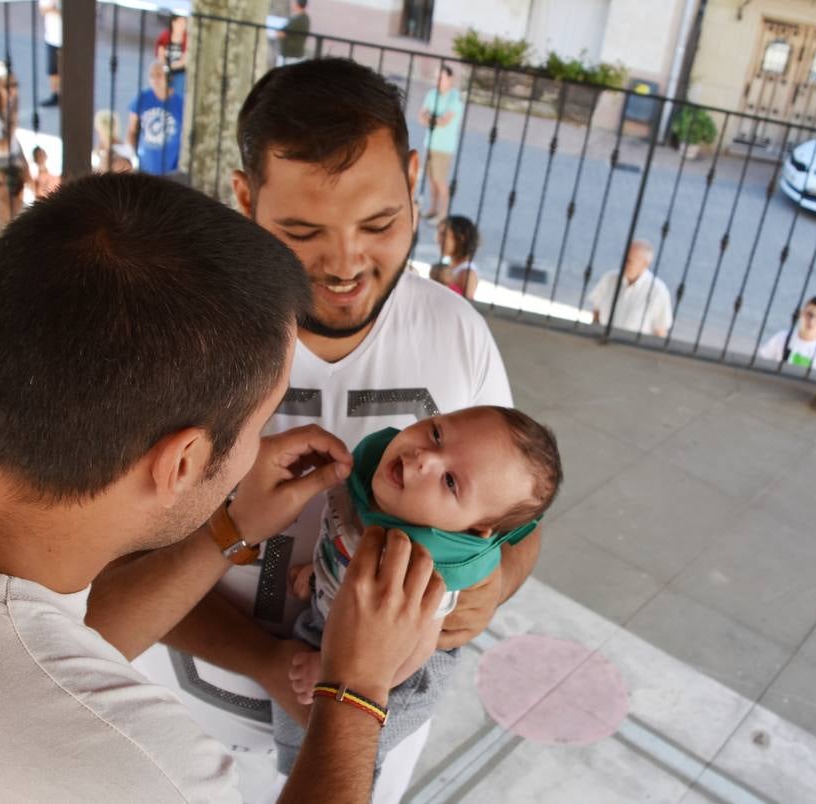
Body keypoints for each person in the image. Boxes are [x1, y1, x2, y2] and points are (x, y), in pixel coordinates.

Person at [0, 172, 446, 802]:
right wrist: (356, 688)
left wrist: (228, 528)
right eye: (259, 423)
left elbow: (45, 642)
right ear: (180, 462)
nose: (258, 449)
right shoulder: (134, 761)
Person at [85, 58, 540, 804]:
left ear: (415, 177)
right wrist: (269, 660)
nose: (345, 264)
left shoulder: (457, 332)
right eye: (301, 231)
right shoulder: (178, 341)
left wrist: (497, 584)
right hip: (176, 732)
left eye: (382, 222)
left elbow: (518, 519)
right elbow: (105, 578)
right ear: (243, 198)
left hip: (372, 747)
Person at [271, 406, 561, 775]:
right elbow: (347, 542)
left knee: (333, 757)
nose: (424, 458)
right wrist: (321, 572)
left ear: (473, 529)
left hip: (397, 671)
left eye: (451, 482)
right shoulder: (376, 482)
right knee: (294, 718)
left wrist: (333, 672)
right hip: (342, 624)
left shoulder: (427, 566)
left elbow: (413, 652)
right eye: (437, 434)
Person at [0, 61, 31, 236]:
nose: (12, 89)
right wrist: (12, 122)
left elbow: (14, 142)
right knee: (0, 207)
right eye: (7, 85)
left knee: (14, 206)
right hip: (0, 163)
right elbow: (1, 146)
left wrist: (25, 164)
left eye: (15, 85)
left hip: (13, 159)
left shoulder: (7, 105)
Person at [588, 239, 673, 338]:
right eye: (623, 258)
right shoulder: (609, 279)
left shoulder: (658, 291)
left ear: (645, 264)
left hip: (632, 350)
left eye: (629, 261)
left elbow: (660, 332)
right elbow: (596, 313)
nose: (624, 264)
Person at [418, 65, 461, 221]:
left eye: (441, 77)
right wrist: (433, 119)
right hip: (429, 143)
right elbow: (421, 117)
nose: (438, 81)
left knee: (440, 180)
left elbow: (444, 121)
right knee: (431, 180)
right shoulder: (431, 94)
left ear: (450, 79)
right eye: (436, 77)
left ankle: (443, 214)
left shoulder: (455, 97)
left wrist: (430, 118)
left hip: (444, 147)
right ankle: (433, 208)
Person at [128, 61, 184, 176]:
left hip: (172, 166)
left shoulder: (180, 102)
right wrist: (132, 156)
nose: (155, 80)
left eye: (159, 75)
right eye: (151, 76)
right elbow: (131, 130)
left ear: (168, 78)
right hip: (145, 165)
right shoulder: (142, 98)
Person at [758, 295, 816, 372]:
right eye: (809, 315)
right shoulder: (781, 337)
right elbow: (760, 363)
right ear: (801, 313)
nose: (812, 322)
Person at [429, 214, 479, 300]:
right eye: (438, 234)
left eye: (444, 234)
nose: (438, 239)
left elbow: (467, 305)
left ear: (461, 238)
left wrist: (445, 284)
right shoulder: (451, 266)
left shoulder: (467, 273)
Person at [38, 0, 63, 107]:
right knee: (53, 70)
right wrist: (54, 4)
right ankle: (55, 95)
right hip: (52, 38)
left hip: (65, 39)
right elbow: (45, 9)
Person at [156, 14, 189, 100]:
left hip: (179, 73)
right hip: (165, 70)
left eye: (184, 22)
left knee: (178, 92)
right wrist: (165, 67)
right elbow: (160, 55)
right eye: (180, 22)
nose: (183, 25)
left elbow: (184, 61)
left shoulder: (187, 39)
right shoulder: (165, 36)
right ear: (173, 23)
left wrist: (170, 66)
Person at [277, 0, 310, 65]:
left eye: (293, 2)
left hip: (290, 57)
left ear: (297, 4)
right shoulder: (305, 18)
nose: (291, 4)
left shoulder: (297, 20)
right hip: (294, 56)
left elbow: (281, 33)